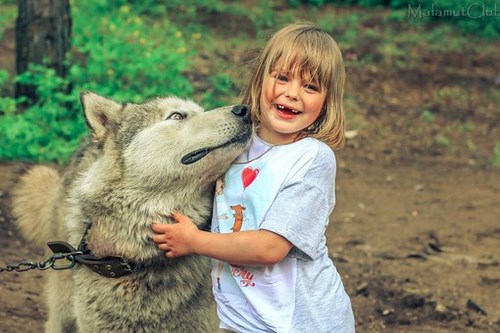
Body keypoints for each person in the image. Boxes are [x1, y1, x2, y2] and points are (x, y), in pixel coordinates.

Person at [152, 23, 355, 332]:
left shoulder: (311, 159)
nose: (292, 93)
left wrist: (194, 241)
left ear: (326, 103)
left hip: (301, 322)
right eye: (282, 77)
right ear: (260, 80)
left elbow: (269, 248)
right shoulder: (236, 143)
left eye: (310, 87)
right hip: (240, 317)